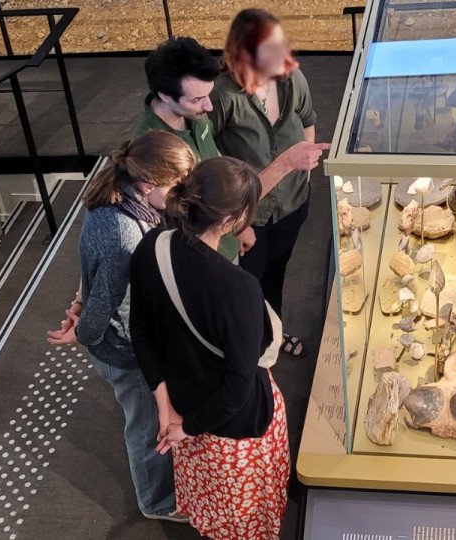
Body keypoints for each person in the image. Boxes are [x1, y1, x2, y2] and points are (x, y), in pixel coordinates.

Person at [129, 157, 290, 540]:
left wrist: (167, 411)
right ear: (229, 221)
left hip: (182, 410)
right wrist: (186, 429)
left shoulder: (152, 246)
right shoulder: (238, 288)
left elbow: (140, 330)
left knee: (212, 509)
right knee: (247, 518)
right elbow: (238, 387)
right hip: (232, 428)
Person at [46, 130, 196, 522]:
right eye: (176, 185)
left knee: (143, 416)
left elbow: (88, 272)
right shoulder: (125, 237)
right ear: (148, 185)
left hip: (123, 338)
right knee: (147, 430)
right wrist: (79, 334)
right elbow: (103, 304)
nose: (184, 193)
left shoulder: (110, 196)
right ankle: (157, 502)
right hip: (127, 351)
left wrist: (76, 304)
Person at [138, 36, 329, 263]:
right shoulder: (152, 150)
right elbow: (201, 209)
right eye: (198, 98)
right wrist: (286, 164)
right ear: (166, 96)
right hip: (203, 259)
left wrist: (238, 224)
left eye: (208, 94)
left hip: (228, 239)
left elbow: (217, 164)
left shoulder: (193, 113)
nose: (208, 106)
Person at [210, 9, 321, 357]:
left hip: (291, 204)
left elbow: (307, 120)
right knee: (247, 285)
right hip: (248, 219)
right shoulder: (221, 96)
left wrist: (305, 172)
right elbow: (207, 159)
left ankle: (272, 333)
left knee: (277, 272)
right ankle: (250, 349)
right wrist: (237, 218)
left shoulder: (292, 80)